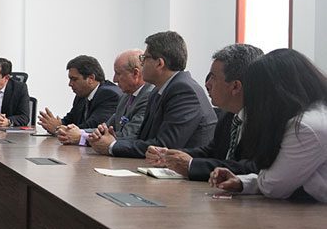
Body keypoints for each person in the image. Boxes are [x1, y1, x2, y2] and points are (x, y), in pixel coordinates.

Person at [210, 49, 327, 202]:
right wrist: (244, 182)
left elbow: (274, 187)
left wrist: (256, 180)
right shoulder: (316, 114)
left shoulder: (306, 127)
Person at [88, 31, 216, 158]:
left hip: (183, 169)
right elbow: (143, 138)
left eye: (144, 58)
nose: (141, 63)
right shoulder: (158, 90)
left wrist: (112, 146)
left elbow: (164, 146)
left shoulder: (184, 91)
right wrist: (113, 139)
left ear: (159, 63)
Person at [146, 44, 263, 181]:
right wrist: (170, 156)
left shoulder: (265, 120)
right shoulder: (229, 115)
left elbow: (252, 168)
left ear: (235, 86)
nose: (207, 84)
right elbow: (211, 152)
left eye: (213, 77)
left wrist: (191, 165)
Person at [56, 49, 153, 145]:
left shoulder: (149, 97)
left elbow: (127, 136)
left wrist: (81, 137)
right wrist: (77, 132)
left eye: (118, 73)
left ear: (135, 74)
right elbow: (105, 128)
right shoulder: (126, 96)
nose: (114, 79)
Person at [38, 55, 121, 134]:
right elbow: (69, 120)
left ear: (91, 78)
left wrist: (58, 128)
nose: (70, 84)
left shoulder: (109, 94)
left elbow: (93, 127)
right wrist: (57, 123)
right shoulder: (82, 95)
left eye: (74, 79)